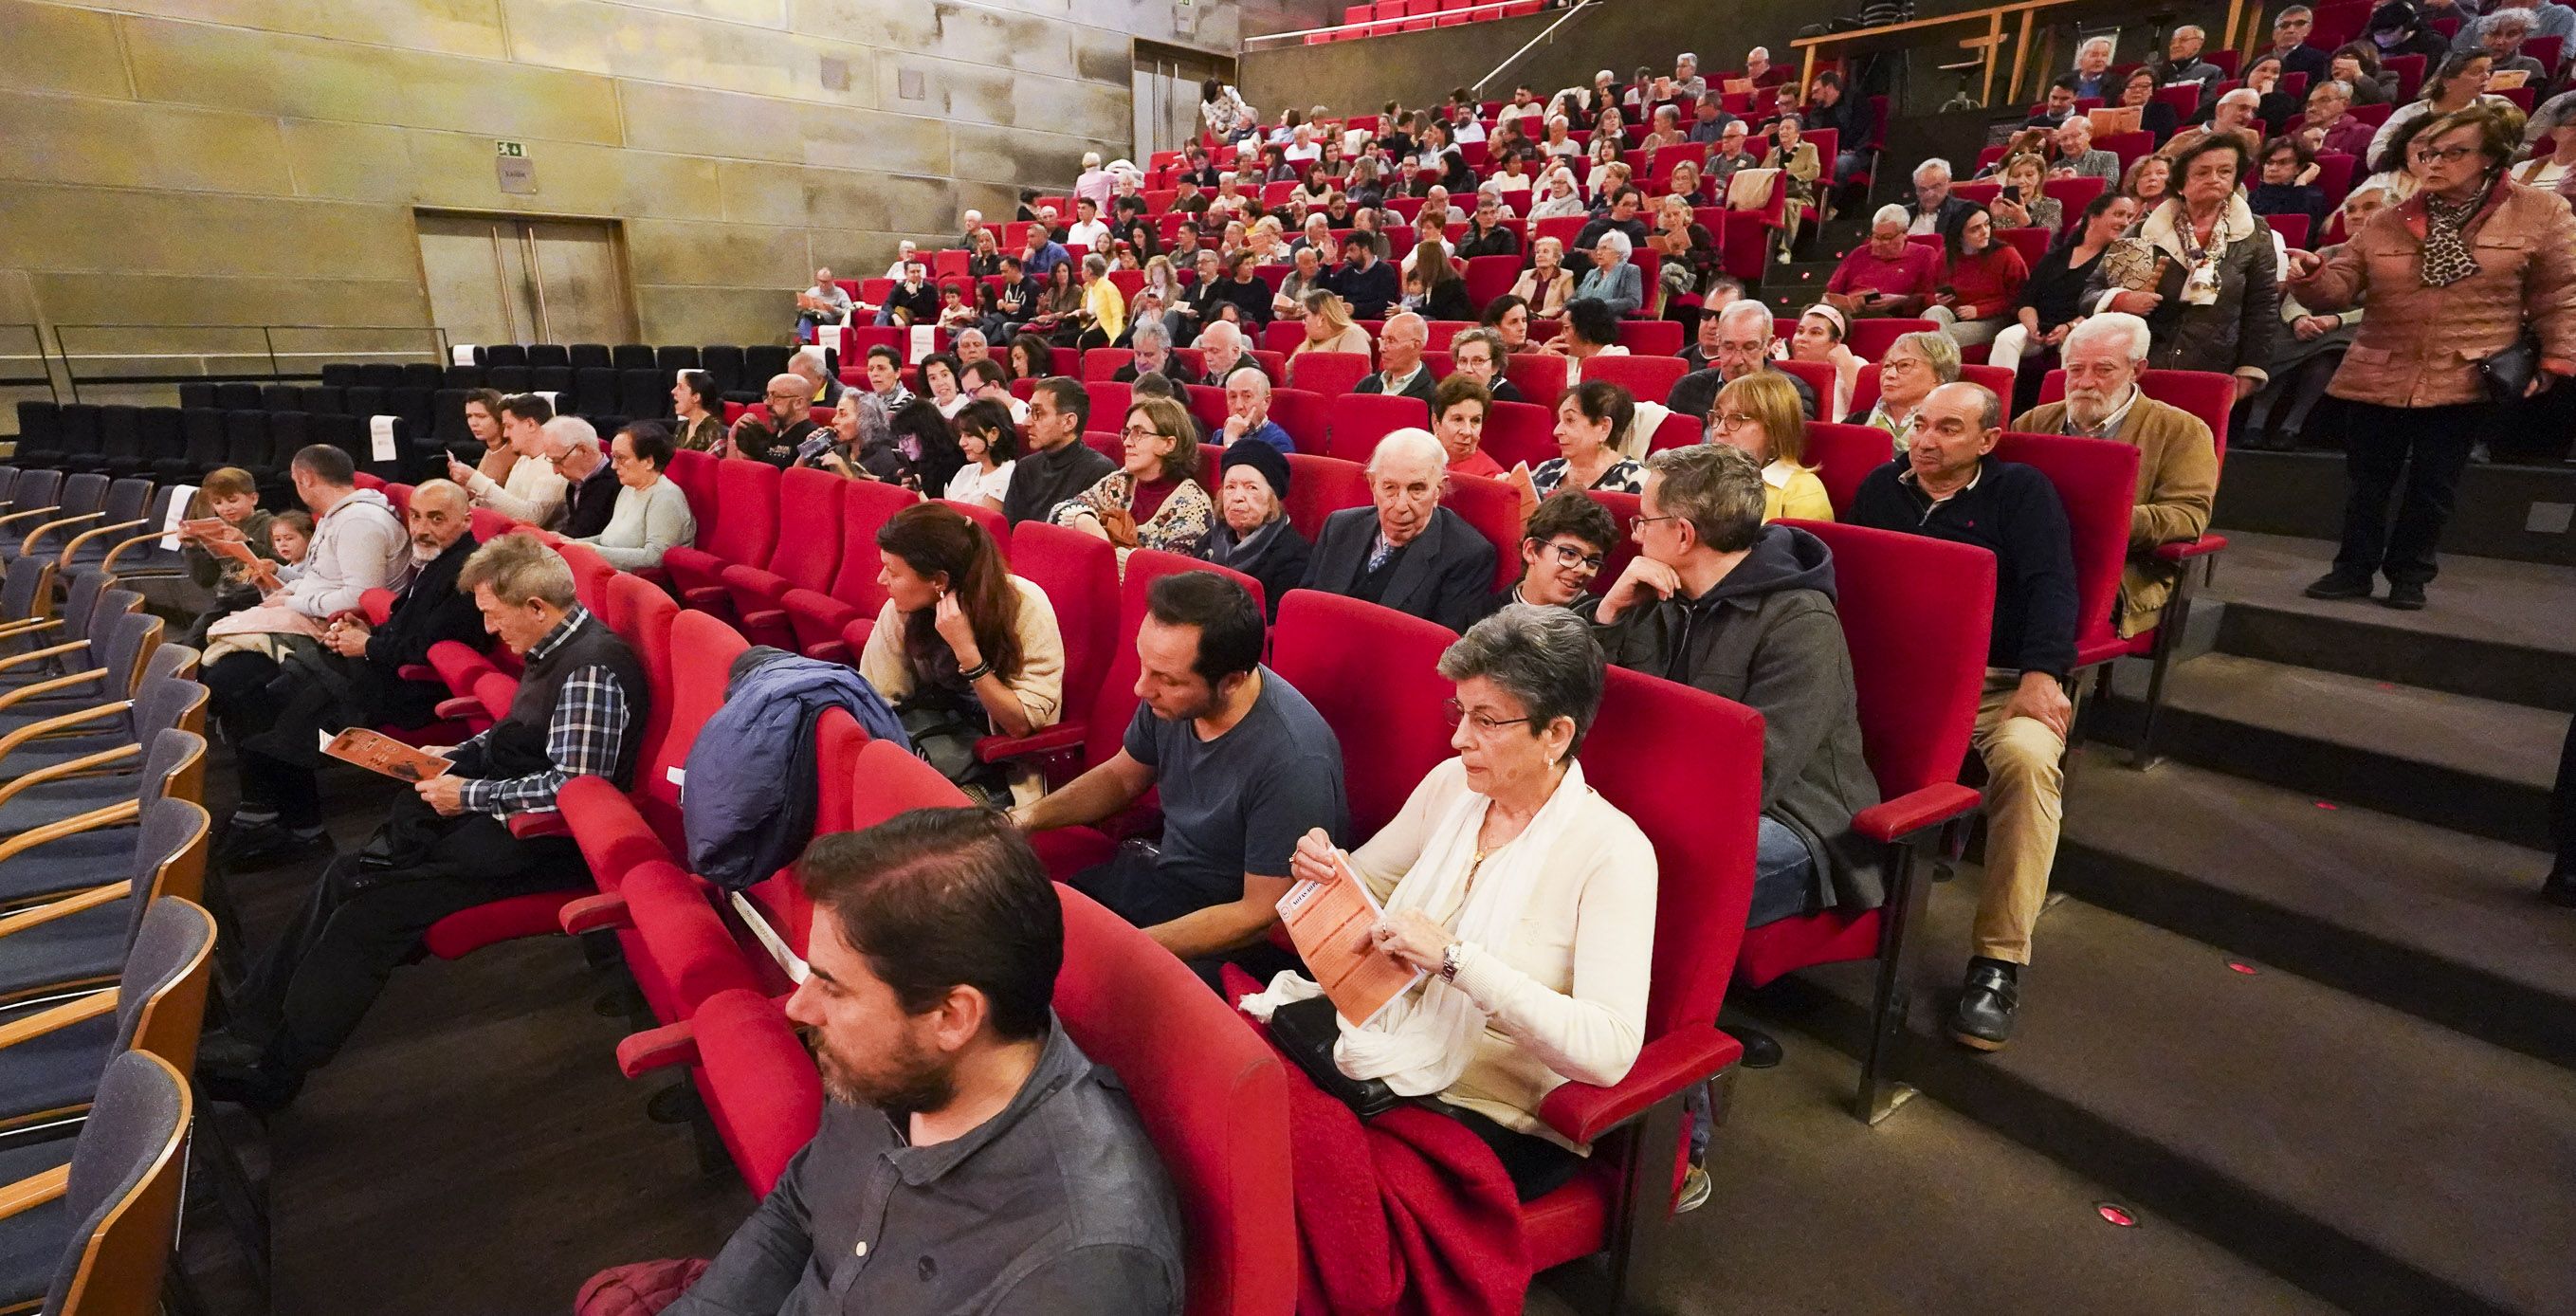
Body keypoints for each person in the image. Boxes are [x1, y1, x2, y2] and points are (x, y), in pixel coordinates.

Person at [594, 809, 1184, 1316]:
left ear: (953, 1017)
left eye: (832, 986)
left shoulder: (1080, 1267)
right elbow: (800, 1207)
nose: (799, 1007)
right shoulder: (894, 1066)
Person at [201, 534, 650, 1109]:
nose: (489, 632)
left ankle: (276, 1068)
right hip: (504, 823)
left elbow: (578, 790)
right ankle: (250, 1023)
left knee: (373, 907)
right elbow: (521, 732)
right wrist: (447, 760)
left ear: (537, 607)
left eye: (493, 616)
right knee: (348, 872)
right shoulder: (551, 648)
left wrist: (468, 795)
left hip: (549, 848)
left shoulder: (590, 667)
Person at [1240, 603, 1654, 1204]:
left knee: (1290, 1177)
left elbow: (1609, 1051)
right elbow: (1371, 887)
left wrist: (1458, 961)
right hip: (1382, 1046)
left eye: (1486, 720)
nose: (1460, 738)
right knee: (1234, 1110)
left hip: (1493, 1109)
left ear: (1557, 734)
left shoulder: (1614, 853)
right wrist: (1326, 866)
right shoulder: (1450, 785)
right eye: (1460, 712)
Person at [1847, 382, 2078, 1051]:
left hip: (1997, 681)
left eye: (1948, 429)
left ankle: (1998, 963)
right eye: (1920, 425)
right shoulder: (1879, 489)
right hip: (1892, 680)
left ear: (1986, 440)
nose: (1924, 440)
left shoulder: (2020, 493)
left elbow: (2051, 586)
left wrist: (2041, 674)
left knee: (2029, 762)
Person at [2290, 103, 2576, 609]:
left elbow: (2559, 294)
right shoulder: (2387, 219)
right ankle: (2352, 570)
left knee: (2434, 484)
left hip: (2466, 371)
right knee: (2367, 484)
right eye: (2427, 152)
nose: (2434, 163)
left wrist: (2557, 359)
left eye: (2453, 152)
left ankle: (2410, 577)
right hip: (2380, 366)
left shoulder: (2541, 211)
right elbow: (2340, 289)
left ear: (2490, 157)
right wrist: (2313, 275)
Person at [1016, 570, 1347, 970]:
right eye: (1144, 666)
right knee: (1041, 931)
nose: (1141, 688)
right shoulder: (1171, 698)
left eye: (1165, 679)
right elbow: (1122, 777)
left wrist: (1130, 947)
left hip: (1231, 924)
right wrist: (1026, 817)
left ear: (1230, 683)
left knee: (1095, 977)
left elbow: (1260, 915)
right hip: (1165, 877)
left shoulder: (1294, 761)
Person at [217, 480, 485, 870]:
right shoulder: (438, 559)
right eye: (416, 516)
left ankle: (301, 830)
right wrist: (362, 632)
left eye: (436, 518)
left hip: (410, 690)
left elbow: (432, 649)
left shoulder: (465, 572)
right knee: (260, 693)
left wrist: (367, 646)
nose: (422, 528)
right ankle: (267, 815)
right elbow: (403, 623)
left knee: (273, 703)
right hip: (383, 666)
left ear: (466, 519)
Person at [2010, 313, 2220, 637]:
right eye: (2075, 369)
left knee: (2042, 602)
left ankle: (2034, 682)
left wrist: (2106, 521)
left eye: (2103, 370)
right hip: (2030, 556)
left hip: (2121, 568)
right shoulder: (2032, 423)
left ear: (2137, 370)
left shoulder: (2182, 430)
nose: (2084, 382)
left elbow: (2188, 516)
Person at [859, 503, 1064, 805]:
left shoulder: (1025, 606)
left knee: (916, 832)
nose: (881, 580)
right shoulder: (903, 609)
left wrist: (966, 651)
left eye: (892, 572)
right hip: (935, 745)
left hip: (1002, 771)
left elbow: (1020, 725)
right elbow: (879, 697)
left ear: (939, 581)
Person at [2089, 135, 2280, 398]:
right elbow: (2091, 291)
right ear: (2180, 184)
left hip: (2215, 368)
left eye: (2225, 171)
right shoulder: (2143, 230)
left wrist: (2251, 371)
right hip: (2141, 365)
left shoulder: (2254, 232)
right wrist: (2121, 300)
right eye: (2203, 172)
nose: (2215, 178)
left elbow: (2262, 307)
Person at [1304, 429, 1497, 632]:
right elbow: (1305, 613)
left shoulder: (1468, 555)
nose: (1401, 505)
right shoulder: (1339, 526)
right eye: (1390, 488)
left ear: (1438, 491)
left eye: (1417, 489)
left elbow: (1444, 651)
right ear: (1372, 484)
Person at [1993, 192, 2143, 380]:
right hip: (2040, 326)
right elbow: (2027, 299)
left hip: (2082, 328)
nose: (2125, 223)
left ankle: (2062, 406)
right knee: (2006, 339)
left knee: (2074, 344)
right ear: (2093, 217)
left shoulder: (2116, 261)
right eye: (2119, 214)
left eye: (2129, 217)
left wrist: (2069, 327)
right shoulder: (2056, 256)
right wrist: (2033, 328)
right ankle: (1999, 403)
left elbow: (2104, 306)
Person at [1050, 396, 1214, 561]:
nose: (1127, 442)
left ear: (1168, 444)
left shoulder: (1192, 506)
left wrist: (1108, 553)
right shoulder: (1121, 482)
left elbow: (1167, 576)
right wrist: (1085, 521)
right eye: (1127, 433)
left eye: (1139, 433)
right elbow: (1059, 513)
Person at [1201, 441, 1311, 618]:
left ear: (1272, 500)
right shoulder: (1212, 539)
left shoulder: (1294, 558)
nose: (1237, 497)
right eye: (1230, 487)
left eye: (1251, 488)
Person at [1670, 299, 1821, 421]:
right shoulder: (1688, 389)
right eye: (1728, 347)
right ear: (1718, 341)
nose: (1737, 360)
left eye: (1749, 347)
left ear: (1768, 345)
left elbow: (1789, 451)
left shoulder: (1791, 393)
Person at [572, 422, 695, 571]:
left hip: (642, 585)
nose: (613, 466)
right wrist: (571, 543)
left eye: (621, 458)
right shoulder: (628, 489)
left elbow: (656, 557)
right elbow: (607, 540)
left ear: (648, 462)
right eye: (613, 457)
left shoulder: (666, 498)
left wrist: (595, 552)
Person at [1710, 372, 1833, 521]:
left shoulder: (1803, 492)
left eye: (1736, 419)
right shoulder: (1702, 478)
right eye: (1718, 417)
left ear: (1775, 431)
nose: (1719, 430)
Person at [175, 466, 277, 642]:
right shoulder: (218, 528)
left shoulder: (273, 526)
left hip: (262, 601)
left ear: (253, 498)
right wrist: (192, 548)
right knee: (194, 639)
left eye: (232, 500)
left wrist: (247, 543)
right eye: (218, 503)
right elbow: (206, 579)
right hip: (227, 600)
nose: (226, 508)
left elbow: (287, 566)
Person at [1001, 377, 1117, 526]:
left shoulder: (1099, 471)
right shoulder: (1026, 467)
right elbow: (1009, 531)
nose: (1026, 422)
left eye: (1038, 413)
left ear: (1068, 422)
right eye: (1029, 411)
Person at [1486, 490, 1617, 618]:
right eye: (1570, 553)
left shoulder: (1600, 621)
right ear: (1531, 550)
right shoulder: (1482, 618)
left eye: (1593, 561)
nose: (1583, 569)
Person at [450, 393, 568, 528]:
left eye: (509, 426)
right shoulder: (523, 459)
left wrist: (476, 479)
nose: (505, 433)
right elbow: (505, 509)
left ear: (530, 425)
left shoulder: (553, 465)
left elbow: (532, 519)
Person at [2369, 51, 2509, 161]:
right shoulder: (2410, 113)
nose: (2486, 77)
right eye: (2476, 72)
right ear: (2446, 81)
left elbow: (2519, 145)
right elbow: (2375, 155)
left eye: (2488, 70)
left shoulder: (2498, 106)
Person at [1928, 203, 2029, 349]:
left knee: (1942, 336)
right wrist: (1936, 300)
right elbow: (1927, 292)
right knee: (1933, 313)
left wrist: (1980, 310)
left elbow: (2020, 299)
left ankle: (1942, 367)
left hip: (1994, 318)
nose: (1985, 232)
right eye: (1975, 229)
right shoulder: (1945, 256)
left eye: (1987, 224)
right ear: (1959, 235)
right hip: (1954, 313)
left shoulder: (2006, 254)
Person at [1530, 379, 1646, 499]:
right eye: (1560, 421)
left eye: (1570, 420)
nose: (1556, 431)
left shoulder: (1634, 479)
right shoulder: (1548, 469)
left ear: (1604, 427)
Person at [1850, 331, 1963, 450]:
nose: (1889, 374)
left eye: (1904, 365)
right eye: (1887, 366)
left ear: (1938, 377)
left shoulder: (1949, 431)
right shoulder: (1855, 422)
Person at [1824, 207, 1940, 318]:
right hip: (1850, 318)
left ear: (1904, 233)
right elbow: (1831, 293)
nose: (1878, 243)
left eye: (1886, 238)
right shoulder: (1859, 253)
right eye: (1875, 236)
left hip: (1894, 318)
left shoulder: (1925, 254)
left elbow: (1934, 299)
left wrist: (1901, 301)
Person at [941, 397, 1019, 512]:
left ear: (993, 434)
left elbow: (979, 525)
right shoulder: (966, 471)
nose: (961, 443)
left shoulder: (1008, 476)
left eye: (969, 435)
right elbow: (944, 515)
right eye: (961, 435)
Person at [725, 373, 819, 466]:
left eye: (776, 397)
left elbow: (796, 479)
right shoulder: (771, 435)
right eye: (767, 396)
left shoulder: (812, 439)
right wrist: (732, 436)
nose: (766, 403)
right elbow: (734, 471)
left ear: (798, 403)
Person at [1431, 374, 1507, 479]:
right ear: (1436, 422)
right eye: (1458, 419)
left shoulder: (1490, 476)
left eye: (1475, 421)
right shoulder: (1414, 456)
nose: (1467, 432)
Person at [2250, 137, 2332, 232]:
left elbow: (2299, 231)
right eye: (2269, 162)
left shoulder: (2312, 196)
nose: (2273, 168)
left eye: (2283, 163)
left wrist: (2301, 182)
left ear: (2299, 168)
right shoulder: (2253, 195)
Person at [1352, 311, 1438, 403]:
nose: (1381, 349)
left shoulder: (1431, 396)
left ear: (1416, 345)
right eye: (1382, 339)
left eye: (1391, 341)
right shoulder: (1366, 385)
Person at [1219, 367, 1295, 453]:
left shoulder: (1278, 443)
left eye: (1247, 396)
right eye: (1233, 397)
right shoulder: (1220, 435)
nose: (1238, 406)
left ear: (1266, 402)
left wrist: (1230, 439)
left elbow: (1238, 466)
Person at [2150, 24, 2226, 108]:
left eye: (2183, 40)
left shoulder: (2212, 72)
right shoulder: (2159, 74)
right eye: (2172, 42)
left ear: (2199, 44)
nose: (2175, 46)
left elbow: (2208, 108)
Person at [1448, 326, 1523, 405]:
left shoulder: (1508, 398)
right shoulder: (1450, 392)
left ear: (1495, 366)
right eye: (1463, 361)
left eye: (1478, 361)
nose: (1468, 369)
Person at [1290, 288, 1373, 358]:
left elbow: (1352, 373)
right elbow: (1287, 373)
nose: (1303, 323)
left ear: (1321, 318)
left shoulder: (1352, 335)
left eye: (1305, 317)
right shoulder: (1311, 341)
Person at [1509, 237, 1577, 319]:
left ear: (1555, 258)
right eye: (1537, 252)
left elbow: (1568, 305)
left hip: (1549, 321)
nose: (1539, 255)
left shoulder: (1566, 276)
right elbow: (1510, 299)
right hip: (1524, 319)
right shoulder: (1526, 275)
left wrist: (1539, 315)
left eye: (1545, 252)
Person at [1907, 158, 1976, 235]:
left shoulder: (1964, 211)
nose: (1930, 194)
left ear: (1949, 183)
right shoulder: (1904, 213)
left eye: (1935, 187)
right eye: (1922, 189)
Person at [2270, 5, 2333, 82]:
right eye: (2284, 25)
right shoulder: (2256, 62)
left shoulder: (2322, 60)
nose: (2291, 30)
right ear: (2274, 34)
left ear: (2308, 29)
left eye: (2299, 24)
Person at [669, 372, 725, 451]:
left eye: (680, 387)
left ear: (696, 397)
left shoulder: (714, 430)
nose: (673, 391)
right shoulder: (682, 427)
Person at [795, 267, 852, 343]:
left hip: (828, 320)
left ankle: (806, 339)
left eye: (826, 282)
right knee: (805, 314)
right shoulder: (812, 291)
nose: (823, 284)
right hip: (812, 317)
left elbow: (849, 310)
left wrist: (833, 309)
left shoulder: (840, 293)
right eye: (820, 281)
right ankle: (806, 340)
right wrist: (802, 305)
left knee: (806, 315)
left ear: (832, 280)